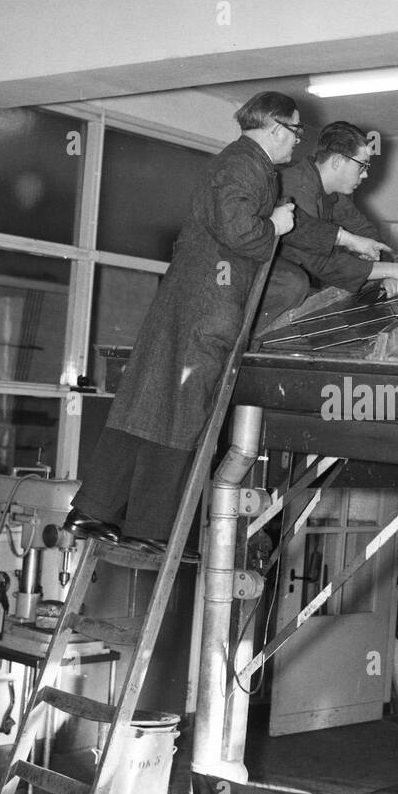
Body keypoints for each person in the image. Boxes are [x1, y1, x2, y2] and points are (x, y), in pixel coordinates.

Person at [66, 91, 343, 547]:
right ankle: (148, 529)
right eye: (296, 132)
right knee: (182, 415)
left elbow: (286, 225)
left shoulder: (250, 166)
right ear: (275, 127)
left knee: (147, 407)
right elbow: (242, 234)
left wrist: (343, 239)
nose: (297, 143)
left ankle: (92, 509)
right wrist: (273, 225)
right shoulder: (243, 165)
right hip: (208, 310)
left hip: (192, 302)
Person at [256, 121, 398, 327]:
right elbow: (320, 262)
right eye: (362, 165)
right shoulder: (295, 188)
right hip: (256, 281)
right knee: (294, 283)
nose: (365, 174)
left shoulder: (331, 190)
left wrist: (387, 270)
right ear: (337, 161)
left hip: (288, 279)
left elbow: (364, 230)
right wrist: (389, 270)